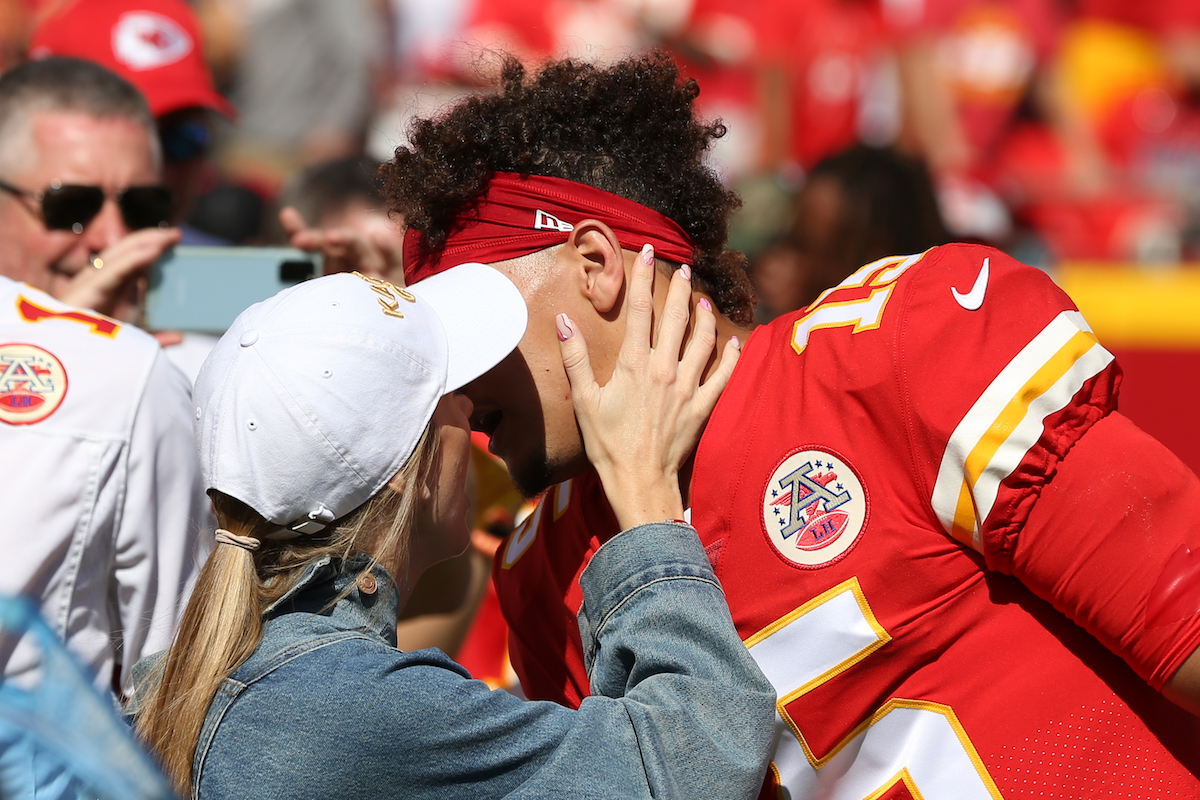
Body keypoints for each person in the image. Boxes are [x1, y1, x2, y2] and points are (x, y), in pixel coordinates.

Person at [381, 52, 1200, 797]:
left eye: (474, 323)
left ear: (595, 267)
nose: (452, 379)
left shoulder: (896, 351)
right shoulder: (544, 573)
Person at [130, 266, 774, 799]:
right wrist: (644, 495)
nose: (469, 406)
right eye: (446, 395)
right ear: (403, 478)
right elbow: (700, 764)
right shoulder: (348, 710)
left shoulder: (206, 679)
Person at [0, 56, 207, 698]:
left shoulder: (185, 369)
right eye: (72, 205)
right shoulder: (131, 372)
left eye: (144, 207)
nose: (111, 236)